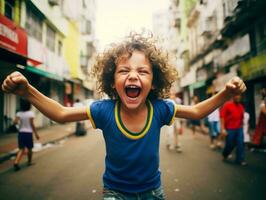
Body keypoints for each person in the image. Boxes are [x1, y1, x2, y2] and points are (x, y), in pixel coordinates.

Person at [1, 33, 246, 199]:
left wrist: (226, 92)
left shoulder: (160, 109)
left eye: (143, 71)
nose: (132, 76)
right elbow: (62, 113)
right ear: (111, 80)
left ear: (154, 80)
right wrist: (28, 91)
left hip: (153, 191)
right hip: (114, 192)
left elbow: (195, 111)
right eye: (123, 70)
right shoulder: (104, 110)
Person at [13, 99, 39, 171]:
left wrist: (19, 125)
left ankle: (16, 162)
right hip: (28, 133)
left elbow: (14, 122)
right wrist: (36, 134)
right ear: (29, 105)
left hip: (21, 133)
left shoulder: (19, 113)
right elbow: (32, 124)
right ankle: (29, 162)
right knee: (30, 148)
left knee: (21, 149)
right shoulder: (30, 114)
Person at [220, 94, 247, 166]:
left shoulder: (241, 106)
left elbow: (242, 119)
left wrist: (244, 128)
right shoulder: (227, 105)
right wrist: (222, 129)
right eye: (236, 95)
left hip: (239, 129)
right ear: (233, 96)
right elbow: (222, 117)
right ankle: (225, 154)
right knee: (229, 144)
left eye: (239, 96)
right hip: (230, 129)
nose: (238, 97)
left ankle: (240, 159)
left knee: (240, 144)